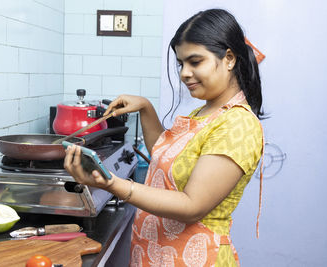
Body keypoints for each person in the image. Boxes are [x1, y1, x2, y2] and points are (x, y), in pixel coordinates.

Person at [64, 8, 264, 267]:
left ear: (228, 58)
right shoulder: (206, 111)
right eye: (181, 63)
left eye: (195, 62)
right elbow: (164, 158)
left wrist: (112, 184)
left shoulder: (238, 125)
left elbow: (193, 205)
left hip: (196, 259)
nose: (184, 73)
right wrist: (145, 107)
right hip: (158, 255)